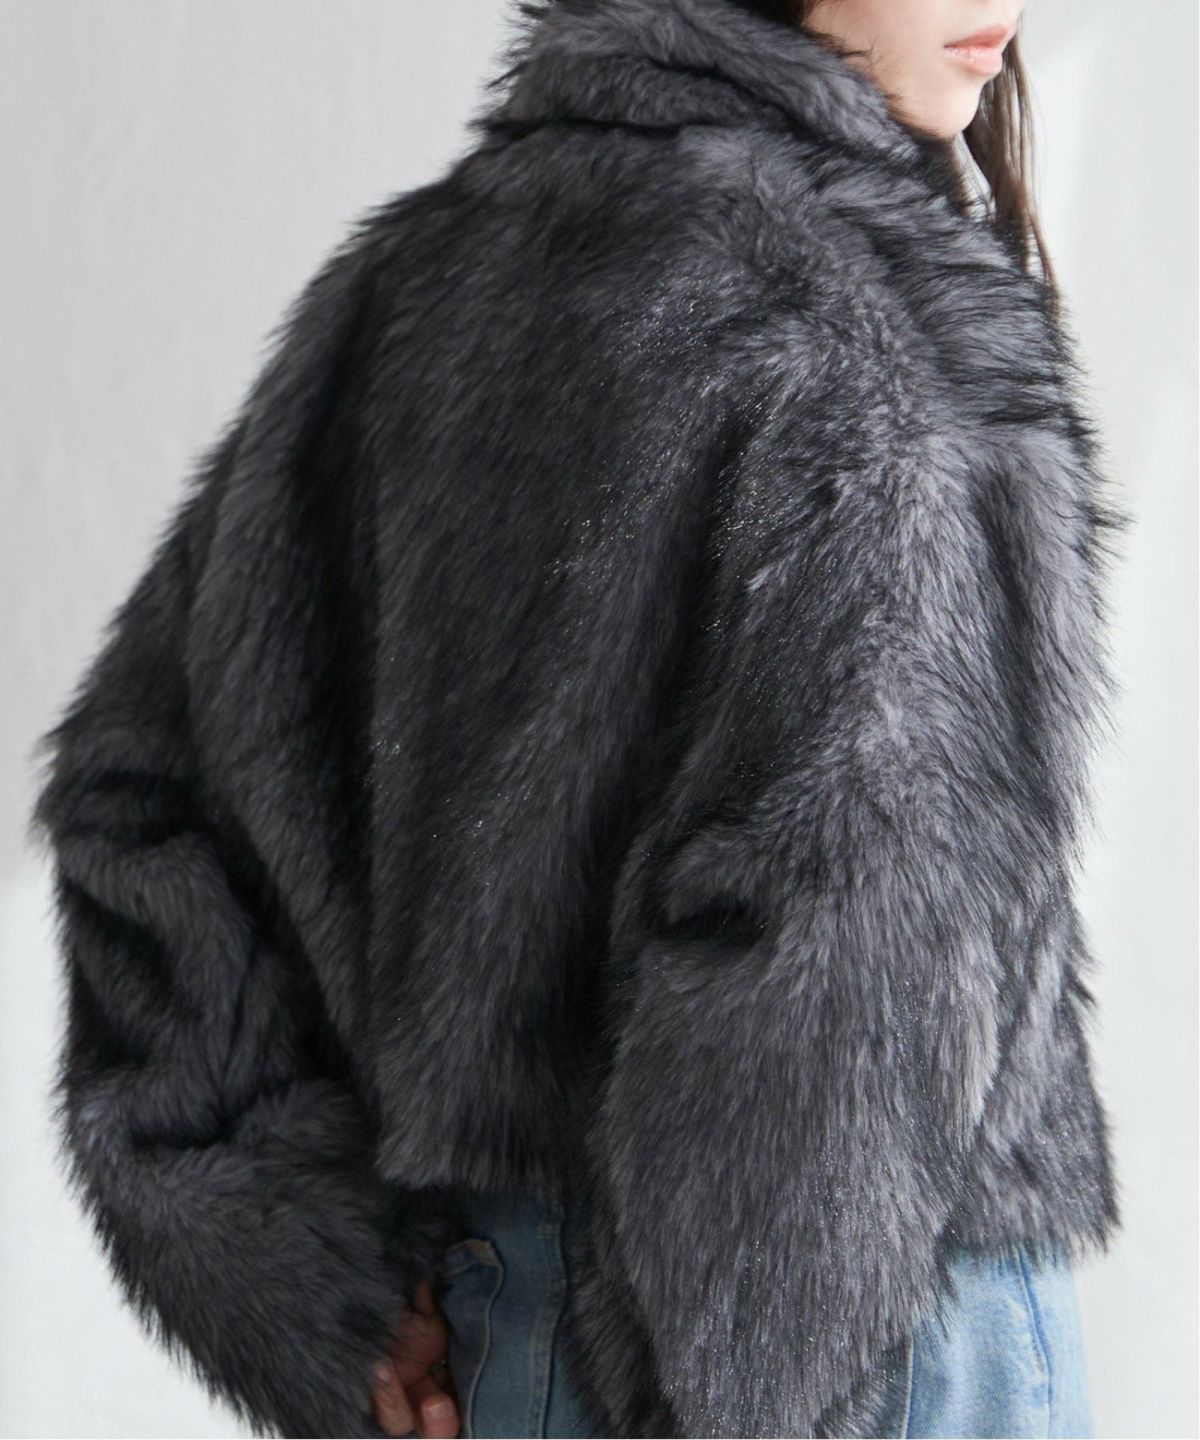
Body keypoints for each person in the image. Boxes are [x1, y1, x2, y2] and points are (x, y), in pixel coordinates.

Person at [27, 0, 1130, 1437]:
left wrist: (313, 1283)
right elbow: (840, 926)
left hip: (517, 1326)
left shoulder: (422, 284)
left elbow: (142, 795)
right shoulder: (845, 329)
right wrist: (751, 1373)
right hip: (843, 1351)